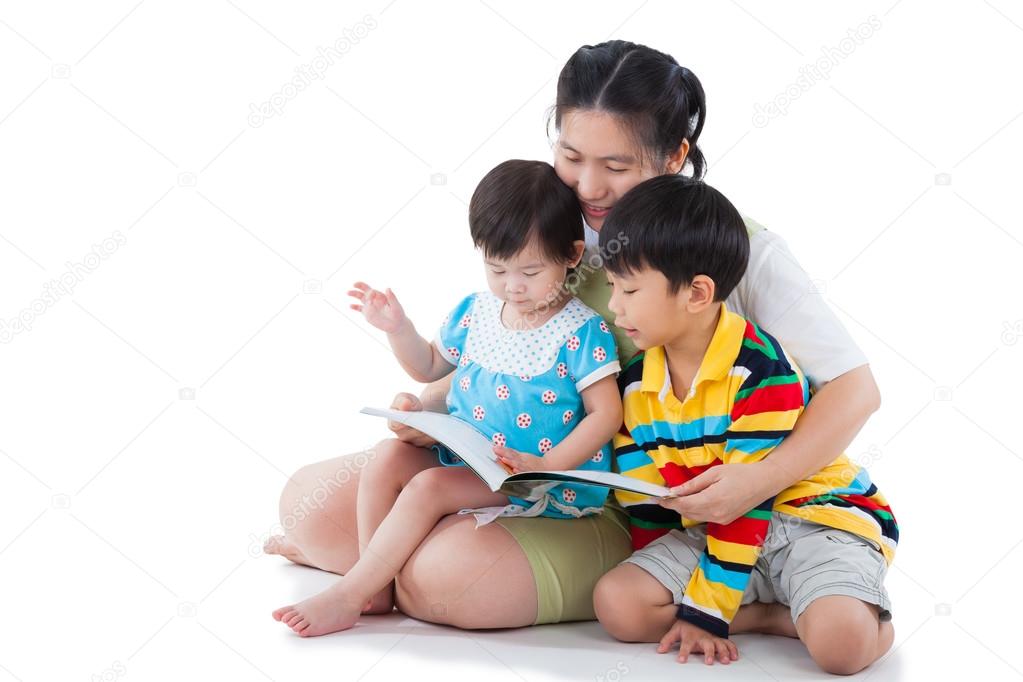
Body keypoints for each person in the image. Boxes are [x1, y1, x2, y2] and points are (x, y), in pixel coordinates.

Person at [265, 40, 885, 632]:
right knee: (305, 505)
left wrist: (755, 481)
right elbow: (514, 350)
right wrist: (428, 409)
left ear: (674, 156)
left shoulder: (737, 251)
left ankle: (413, 569)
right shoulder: (560, 228)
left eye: (616, 166)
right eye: (571, 156)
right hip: (514, 455)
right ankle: (396, 569)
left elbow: (854, 389)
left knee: (442, 582)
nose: (588, 188)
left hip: (629, 496)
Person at [272, 160, 622, 636]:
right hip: (470, 457)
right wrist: (399, 330)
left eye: (530, 271)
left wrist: (548, 465)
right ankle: (374, 586)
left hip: (534, 477)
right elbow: (430, 366)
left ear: (573, 254)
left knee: (427, 488)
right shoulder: (477, 311)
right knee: (387, 457)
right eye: (497, 269)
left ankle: (349, 595)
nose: (512, 286)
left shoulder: (582, 331)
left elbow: (606, 415)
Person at [592, 175, 898, 675]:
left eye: (628, 289)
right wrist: (658, 571)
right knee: (619, 606)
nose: (614, 306)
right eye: (611, 287)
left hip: (810, 520)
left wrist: (705, 613)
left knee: (841, 648)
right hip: (716, 529)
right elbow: (650, 510)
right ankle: (772, 618)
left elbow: (748, 498)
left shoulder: (759, 370)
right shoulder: (635, 386)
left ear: (696, 293)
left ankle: (849, 606)